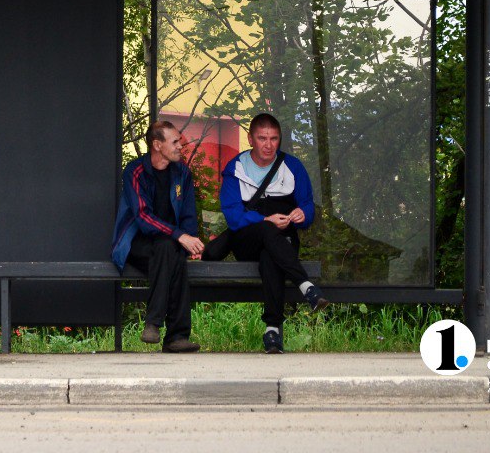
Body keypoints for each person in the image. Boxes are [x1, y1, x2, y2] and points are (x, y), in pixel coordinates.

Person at [208, 113, 329, 354]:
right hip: (246, 240)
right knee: (266, 229)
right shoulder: (236, 168)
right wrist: (265, 219)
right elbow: (233, 216)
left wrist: (303, 214)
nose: (268, 144)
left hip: (282, 242)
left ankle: (272, 332)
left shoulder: (292, 166)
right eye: (262, 138)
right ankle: (306, 285)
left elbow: (307, 205)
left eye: (274, 138)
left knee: (270, 257)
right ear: (250, 139)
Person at [111, 121, 205, 353]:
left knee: (170, 251)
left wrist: (191, 242)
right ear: (157, 145)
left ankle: (154, 324)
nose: (180, 146)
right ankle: (176, 335)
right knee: (169, 250)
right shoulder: (135, 171)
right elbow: (143, 218)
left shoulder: (182, 172)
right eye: (175, 142)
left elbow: (188, 214)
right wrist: (180, 236)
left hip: (169, 243)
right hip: (136, 242)